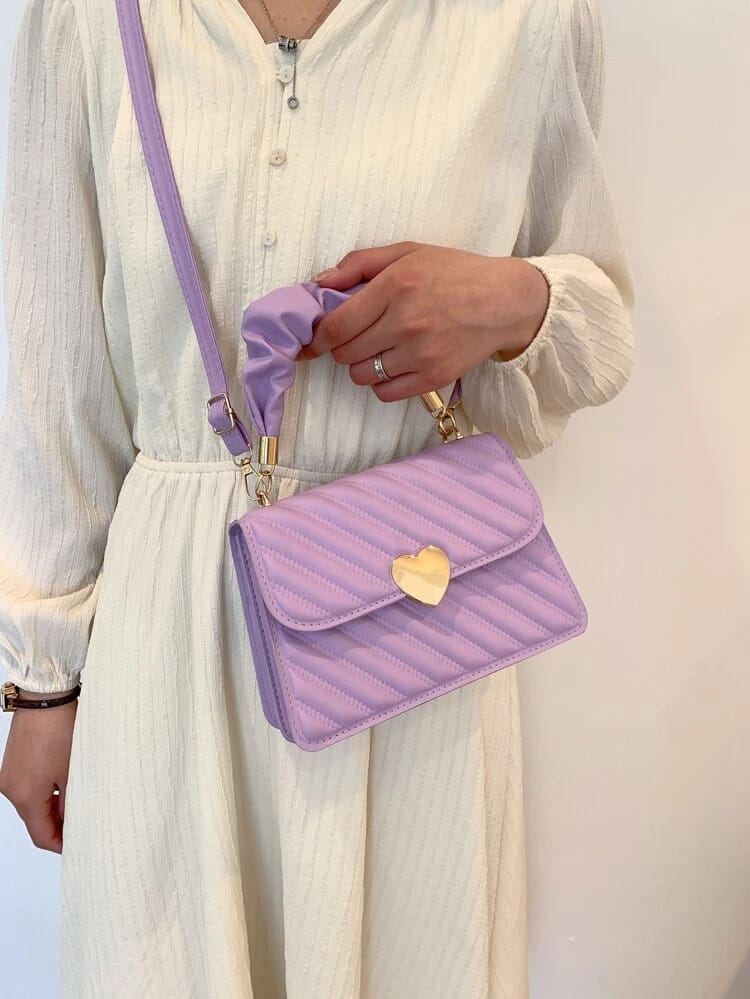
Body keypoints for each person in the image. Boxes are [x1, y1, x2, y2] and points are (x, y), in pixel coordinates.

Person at [0, 0, 635, 995]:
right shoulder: (87, 18)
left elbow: (599, 329)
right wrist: (44, 680)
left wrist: (511, 300)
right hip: (174, 624)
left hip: (420, 620)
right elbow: (49, 371)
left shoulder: (528, 19)